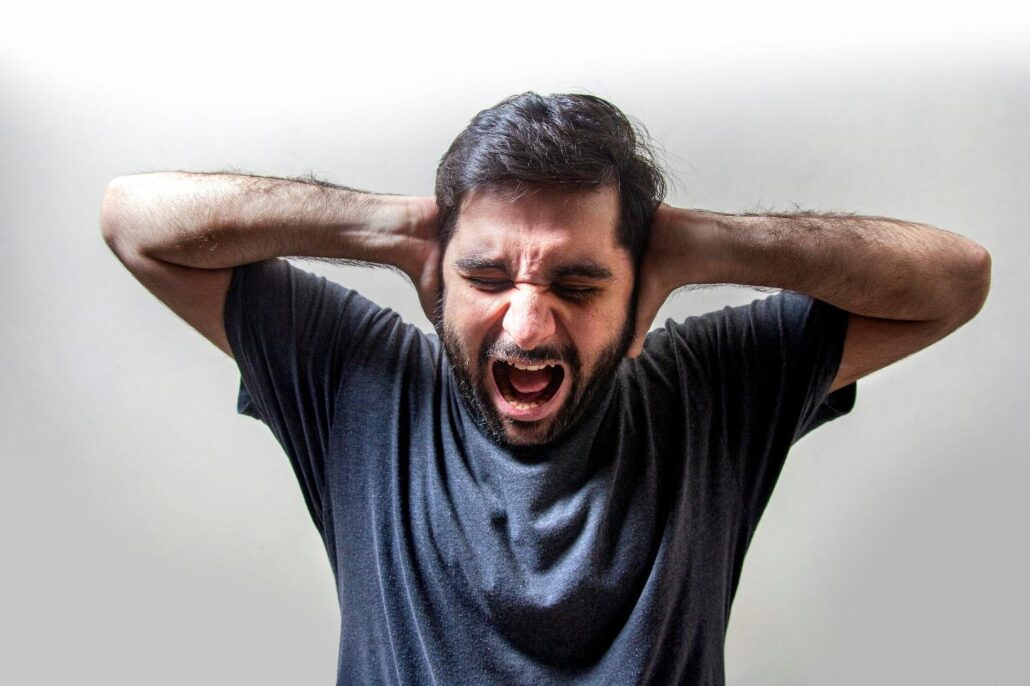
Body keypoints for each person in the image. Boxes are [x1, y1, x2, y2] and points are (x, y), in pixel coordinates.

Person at [100, 92, 991, 684]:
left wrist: (706, 242)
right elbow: (135, 222)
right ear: (437, 277)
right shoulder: (360, 383)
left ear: (640, 286)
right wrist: (392, 226)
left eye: (576, 284)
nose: (526, 327)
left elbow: (957, 281)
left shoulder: (710, 391)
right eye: (487, 278)